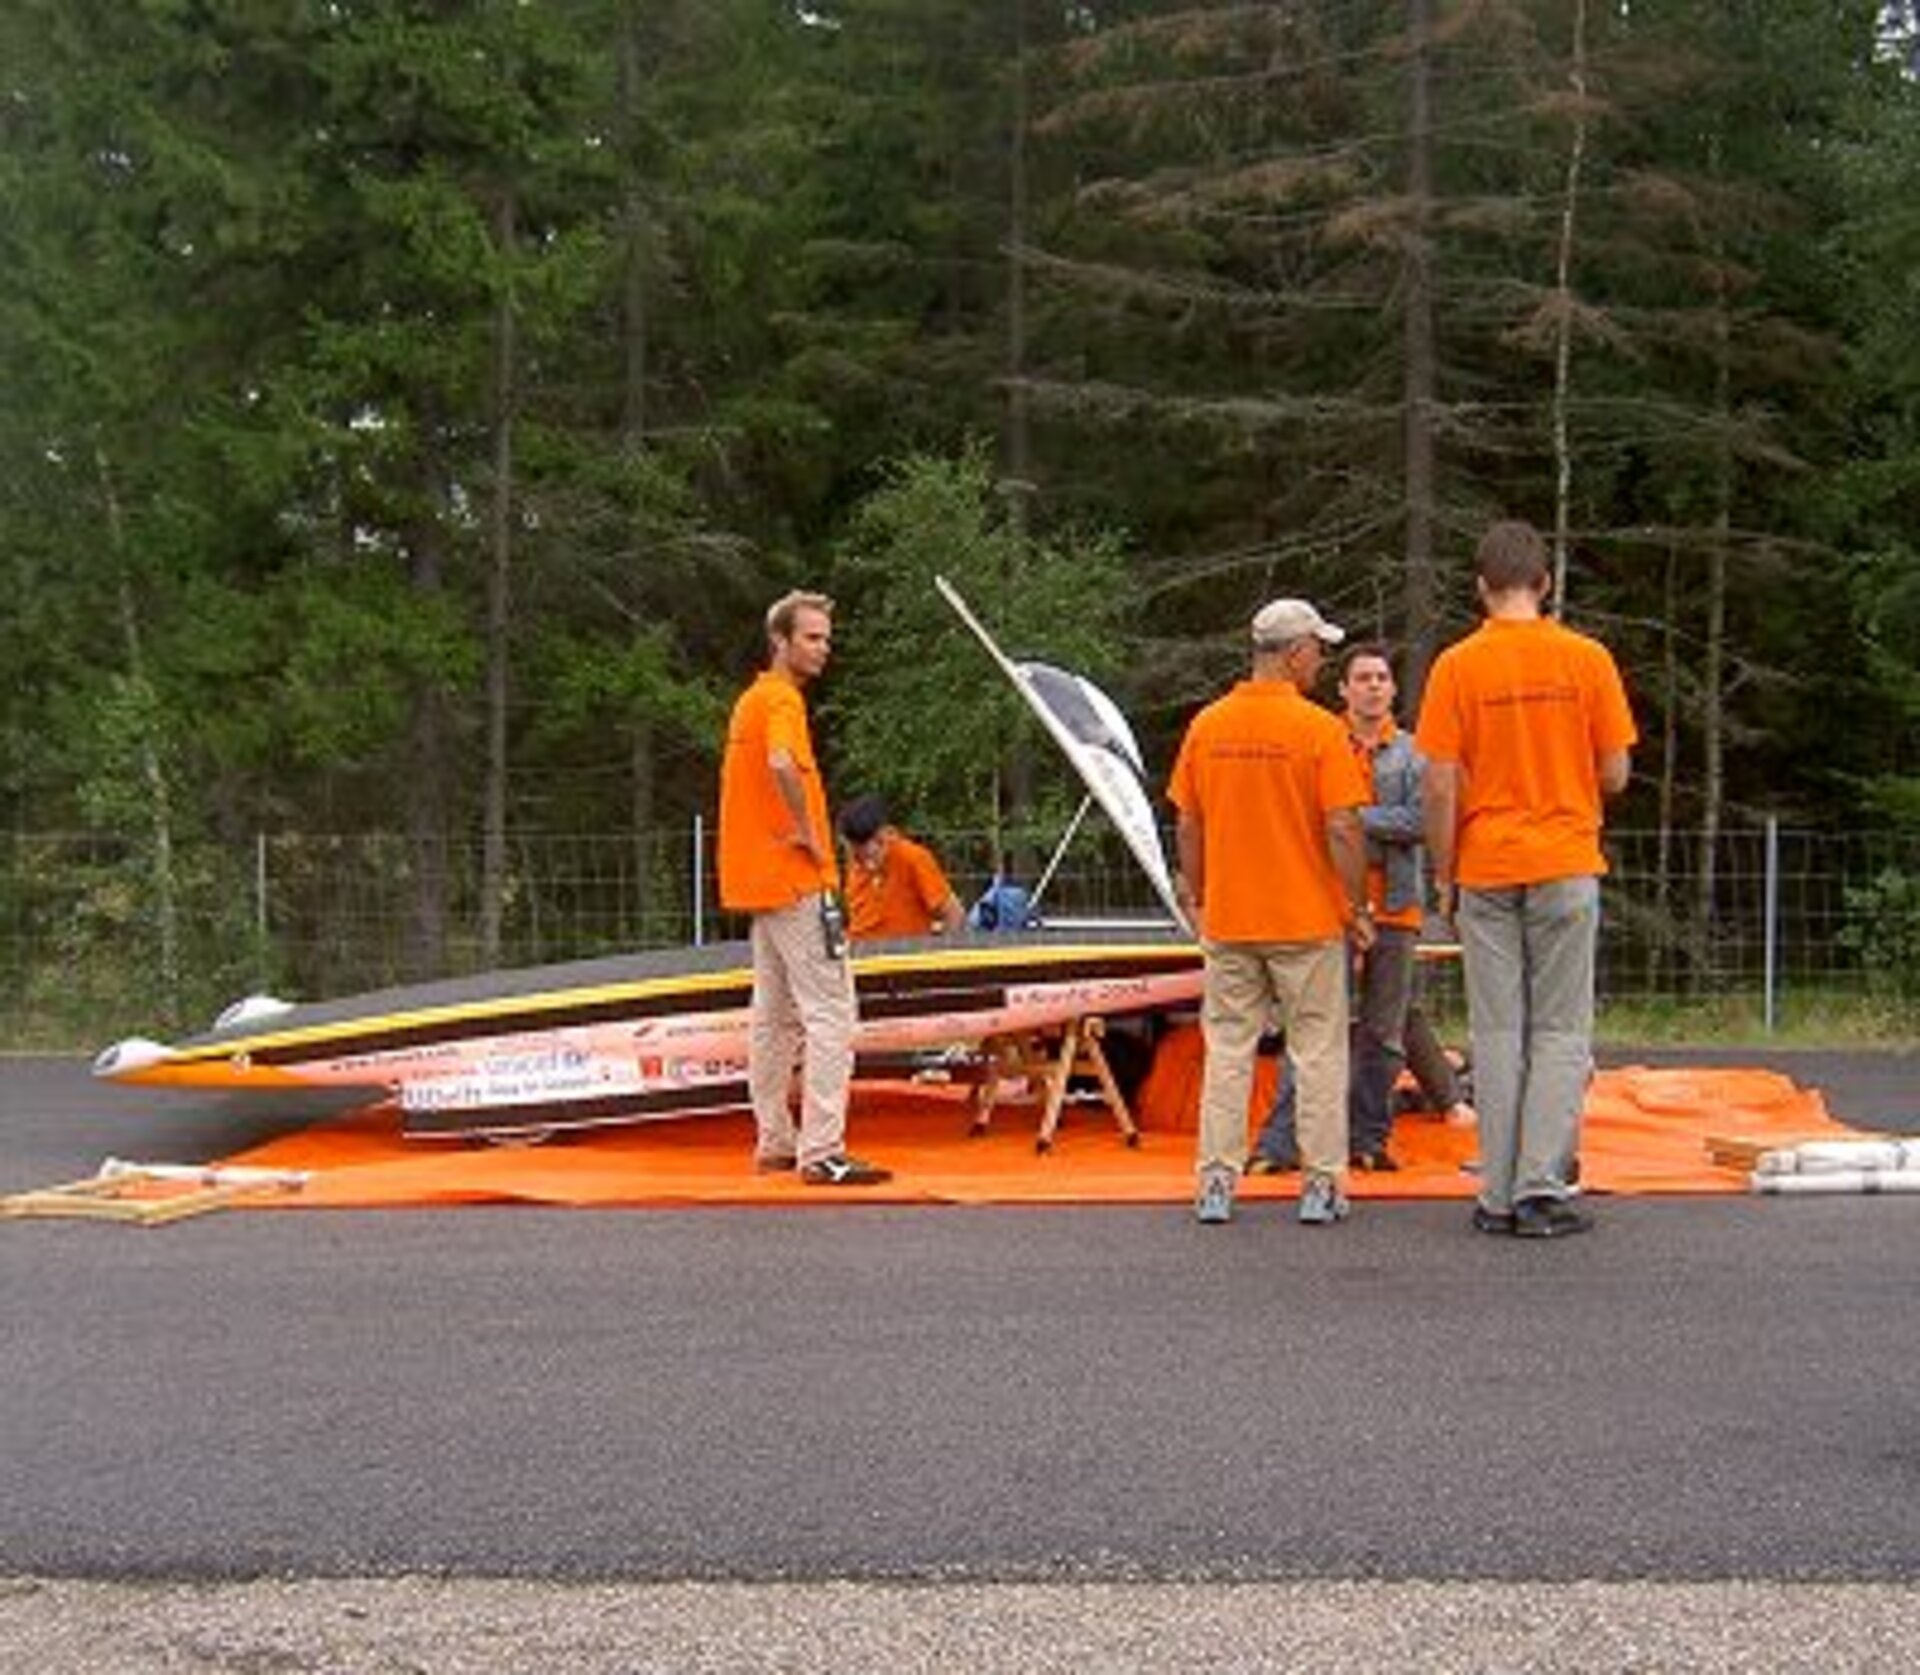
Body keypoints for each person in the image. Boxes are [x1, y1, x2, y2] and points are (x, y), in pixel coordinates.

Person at [1414, 519, 1636, 1239]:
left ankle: (1497, 1193)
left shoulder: (1456, 666)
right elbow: (1615, 770)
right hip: (1565, 858)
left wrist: (1445, 873)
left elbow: (1440, 783)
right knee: (1561, 1030)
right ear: (1544, 584)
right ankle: (1543, 1185)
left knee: (1498, 1029)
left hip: (1486, 864)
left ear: (1481, 587)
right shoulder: (1588, 658)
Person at [1167, 597, 1374, 1227]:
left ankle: (1215, 1181)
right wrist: (1355, 903)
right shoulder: (1318, 731)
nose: (1322, 661)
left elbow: (1188, 822)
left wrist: (1200, 894)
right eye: (1318, 649)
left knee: (1228, 1050)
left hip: (1231, 918)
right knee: (1316, 1051)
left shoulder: (1209, 725)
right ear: (1294, 653)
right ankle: (1321, 1182)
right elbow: (1342, 824)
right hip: (1305, 919)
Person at [718, 590, 890, 1186]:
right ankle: (823, 1150)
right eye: (812, 637)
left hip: (757, 884)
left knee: (771, 1017)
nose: (824, 648)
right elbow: (784, 764)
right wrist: (810, 836)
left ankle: (775, 1141)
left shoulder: (750, 701)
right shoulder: (783, 702)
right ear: (781, 641)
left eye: (826, 638)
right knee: (831, 1014)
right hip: (795, 881)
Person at [1246, 643, 1433, 1174]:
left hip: (1396, 906)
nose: (1374, 685)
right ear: (1344, 689)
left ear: (1393, 689)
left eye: (1382, 677)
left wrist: (1351, 820)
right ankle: (1280, 1143)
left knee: (1384, 1030)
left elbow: (1421, 821)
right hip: (1328, 904)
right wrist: (1352, 821)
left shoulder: (1416, 752)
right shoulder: (1319, 740)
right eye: (1363, 677)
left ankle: (1368, 1138)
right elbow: (1307, 816)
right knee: (1311, 1028)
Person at [836, 795, 965, 940]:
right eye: (855, 852)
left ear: (884, 835)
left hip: (904, 956)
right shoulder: (853, 863)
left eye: (870, 853)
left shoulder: (913, 857)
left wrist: (941, 956)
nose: (865, 862)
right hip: (861, 956)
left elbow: (953, 913)